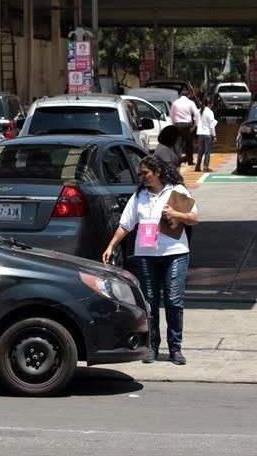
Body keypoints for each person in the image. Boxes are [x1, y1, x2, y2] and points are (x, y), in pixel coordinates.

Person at [102, 155, 199, 365]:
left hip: (175, 253)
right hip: (146, 255)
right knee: (149, 302)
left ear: (158, 172)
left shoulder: (177, 191)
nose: (142, 177)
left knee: (173, 301)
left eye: (145, 173)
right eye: (140, 174)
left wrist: (175, 214)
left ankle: (175, 348)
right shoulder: (139, 196)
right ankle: (152, 347)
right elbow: (125, 224)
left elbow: (195, 218)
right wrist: (111, 245)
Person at [169, 90, 199, 166]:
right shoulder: (190, 103)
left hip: (178, 125)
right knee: (189, 144)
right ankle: (190, 160)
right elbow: (196, 114)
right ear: (188, 95)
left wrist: (173, 124)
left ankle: (178, 161)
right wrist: (194, 125)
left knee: (178, 145)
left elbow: (171, 115)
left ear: (180, 95)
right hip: (187, 126)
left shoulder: (175, 103)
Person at [195, 97, 218, 172]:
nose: (212, 105)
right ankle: (205, 167)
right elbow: (211, 126)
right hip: (207, 133)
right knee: (207, 151)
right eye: (211, 104)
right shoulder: (210, 112)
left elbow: (196, 121)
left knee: (200, 151)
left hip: (200, 133)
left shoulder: (198, 111)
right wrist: (214, 135)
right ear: (209, 104)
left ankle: (197, 166)